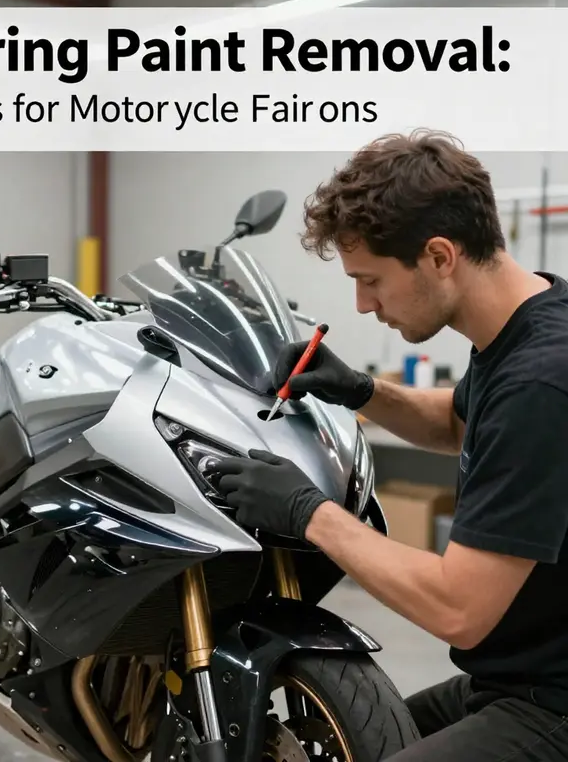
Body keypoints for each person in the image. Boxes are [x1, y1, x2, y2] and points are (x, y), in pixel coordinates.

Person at [213, 129, 568, 760]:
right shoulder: (529, 320)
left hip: (553, 702)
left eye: (371, 279)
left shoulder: (540, 381)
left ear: (438, 256)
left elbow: (458, 609)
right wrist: (359, 389)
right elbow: (460, 423)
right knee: (355, 740)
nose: (362, 303)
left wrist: (308, 514)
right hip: (516, 674)